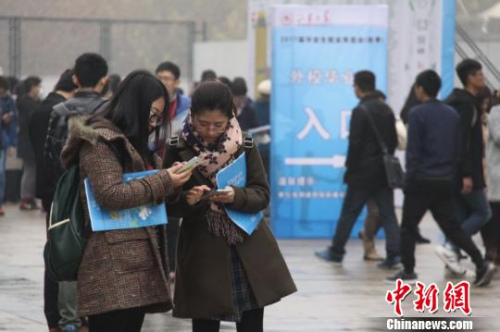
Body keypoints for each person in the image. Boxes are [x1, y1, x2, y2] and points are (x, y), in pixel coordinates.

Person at [60, 70, 192, 332]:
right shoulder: (100, 141)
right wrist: (164, 180)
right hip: (110, 264)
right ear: (135, 106)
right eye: (152, 114)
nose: (154, 123)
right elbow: (111, 194)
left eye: (158, 117)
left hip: (133, 263)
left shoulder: (134, 142)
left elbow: (150, 184)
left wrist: (175, 183)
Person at [163, 80, 296, 332]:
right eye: (203, 124)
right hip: (203, 251)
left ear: (231, 117)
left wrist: (235, 195)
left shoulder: (244, 144)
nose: (210, 131)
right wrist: (188, 200)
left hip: (246, 247)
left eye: (218, 124)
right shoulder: (177, 147)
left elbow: (262, 194)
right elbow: (167, 203)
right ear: (192, 116)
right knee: (205, 323)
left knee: (251, 323)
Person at [387, 70, 496, 286]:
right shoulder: (451, 114)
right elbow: (457, 148)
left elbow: (414, 151)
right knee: (452, 226)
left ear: (420, 89)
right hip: (445, 180)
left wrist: (409, 180)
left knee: (408, 226)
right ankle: (481, 263)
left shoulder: (417, 114)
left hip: (421, 180)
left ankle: (408, 271)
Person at [44, 53, 109, 332]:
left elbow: (50, 155)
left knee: (65, 254)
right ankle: (92, 317)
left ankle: (66, 320)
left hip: (67, 197)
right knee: (98, 258)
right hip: (103, 197)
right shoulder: (110, 111)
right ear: (104, 80)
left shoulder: (59, 111)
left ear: (75, 78)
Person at [315, 71, 401, 269]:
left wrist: (349, 169)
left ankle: (336, 251)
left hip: (361, 173)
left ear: (358, 87)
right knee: (388, 214)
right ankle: (394, 255)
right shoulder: (386, 109)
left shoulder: (360, 111)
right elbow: (393, 142)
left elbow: (355, 144)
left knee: (349, 213)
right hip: (382, 173)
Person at [438, 59, 492, 275]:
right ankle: (449, 248)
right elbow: (463, 143)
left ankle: (451, 260)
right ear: (470, 78)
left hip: (452, 170)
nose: (482, 77)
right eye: (479, 74)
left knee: (459, 217)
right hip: (464, 171)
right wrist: (467, 174)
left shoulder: (454, 101)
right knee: (482, 212)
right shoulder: (466, 105)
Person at [17, 76, 42, 210]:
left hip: (28, 142)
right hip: (28, 142)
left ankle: (30, 197)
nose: (39, 89)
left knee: (31, 170)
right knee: (30, 170)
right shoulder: (28, 103)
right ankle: (26, 197)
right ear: (32, 87)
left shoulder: (31, 102)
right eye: (38, 86)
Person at [0, 76, 17, 216]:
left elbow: (12, 123)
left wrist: (12, 143)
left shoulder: (8, 100)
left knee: (1, 173)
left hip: (2, 141)